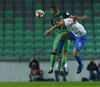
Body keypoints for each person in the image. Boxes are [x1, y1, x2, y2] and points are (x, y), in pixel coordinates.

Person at [44, 5, 76, 75]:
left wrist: (49, 30)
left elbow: (56, 26)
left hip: (59, 36)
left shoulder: (53, 19)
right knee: (64, 54)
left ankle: (51, 68)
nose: (51, 12)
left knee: (54, 52)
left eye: (51, 11)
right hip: (67, 35)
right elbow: (71, 17)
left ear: (53, 11)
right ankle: (61, 69)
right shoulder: (65, 13)